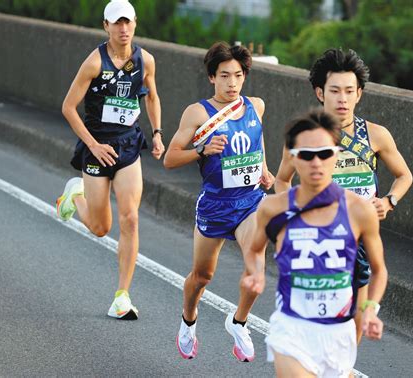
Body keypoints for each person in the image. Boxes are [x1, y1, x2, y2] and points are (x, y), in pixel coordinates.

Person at [274, 48, 412, 341]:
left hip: (358, 236)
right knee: (313, 318)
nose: (343, 98)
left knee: (356, 315)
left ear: (359, 94)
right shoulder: (302, 139)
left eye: (350, 91)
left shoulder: (376, 135)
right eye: (335, 90)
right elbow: (282, 181)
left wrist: (389, 201)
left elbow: (404, 175)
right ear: (319, 92)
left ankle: (343, 366)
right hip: (317, 239)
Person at [243, 109, 388, 377]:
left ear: (336, 153)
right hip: (292, 329)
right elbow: (254, 250)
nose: (316, 162)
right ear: (293, 158)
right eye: (307, 155)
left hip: (339, 333)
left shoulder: (359, 210)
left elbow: (379, 270)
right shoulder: (273, 208)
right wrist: (255, 273)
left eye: (325, 153)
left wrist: (369, 309)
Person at [163, 41, 275, 361]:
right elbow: (170, 158)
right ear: (212, 77)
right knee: (202, 277)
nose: (232, 83)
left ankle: (238, 321)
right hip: (215, 204)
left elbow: (257, 137)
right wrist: (203, 150)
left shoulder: (256, 105)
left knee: (256, 274)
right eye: (224, 76)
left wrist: (264, 169)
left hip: (250, 201)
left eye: (238, 75)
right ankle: (188, 319)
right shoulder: (198, 112)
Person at [56, 0, 164, 320]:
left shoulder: (145, 60)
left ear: (135, 23)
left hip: (129, 145)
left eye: (127, 22)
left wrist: (157, 133)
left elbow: (153, 96)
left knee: (130, 218)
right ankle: (76, 195)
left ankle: (122, 296)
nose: (123, 29)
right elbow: (68, 107)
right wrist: (94, 144)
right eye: (116, 23)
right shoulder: (94, 62)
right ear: (106, 26)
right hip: (97, 147)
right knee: (101, 228)